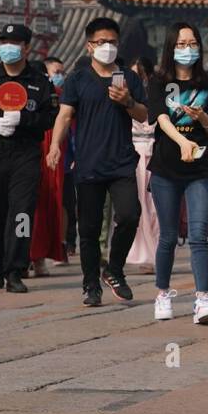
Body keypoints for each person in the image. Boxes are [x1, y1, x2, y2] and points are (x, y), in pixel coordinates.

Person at [46, 17, 148, 306]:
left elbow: (143, 115)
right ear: (89, 46)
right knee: (88, 229)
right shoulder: (77, 80)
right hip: (89, 163)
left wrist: (128, 101)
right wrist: (55, 146)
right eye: (101, 42)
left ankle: (114, 269)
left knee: (129, 215)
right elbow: (64, 116)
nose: (107, 47)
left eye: (112, 42)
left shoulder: (129, 78)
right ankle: (91, 284)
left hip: (122, 161)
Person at [0, 24, 58, 289]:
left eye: (15, 42)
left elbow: (50, 116)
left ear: (26, 47)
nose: (8, 47)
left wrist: (25, 119)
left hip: (25, 154)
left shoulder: (40, 83)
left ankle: (16, 270)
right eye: (4, 41)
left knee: (22, 213)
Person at [147, 22, 208, 324]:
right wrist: (182, 142)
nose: (187, 49)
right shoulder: (158, 82)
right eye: (181, 44)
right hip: (166, 167)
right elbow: (162, 119)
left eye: (192, 43)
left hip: (200, 170)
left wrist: (203, 118)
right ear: (170, 47)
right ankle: (163, 293)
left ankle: (202, 299)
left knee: (198, 235)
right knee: (167, 236)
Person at [29, 56, 69, 276]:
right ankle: (30, 255)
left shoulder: (57, 95)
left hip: (49, 156)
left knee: (40, 208)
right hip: (33, 156)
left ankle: (34, 256)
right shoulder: (18, 93)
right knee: (32, 209)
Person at [126, 56, 160, 274]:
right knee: (138, 206)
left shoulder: (157, 95)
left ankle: (158, 253)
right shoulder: (125, 97)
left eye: (137, 74)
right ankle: (142, 254)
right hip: (134, 154)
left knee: (156, 207)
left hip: (155, 152)